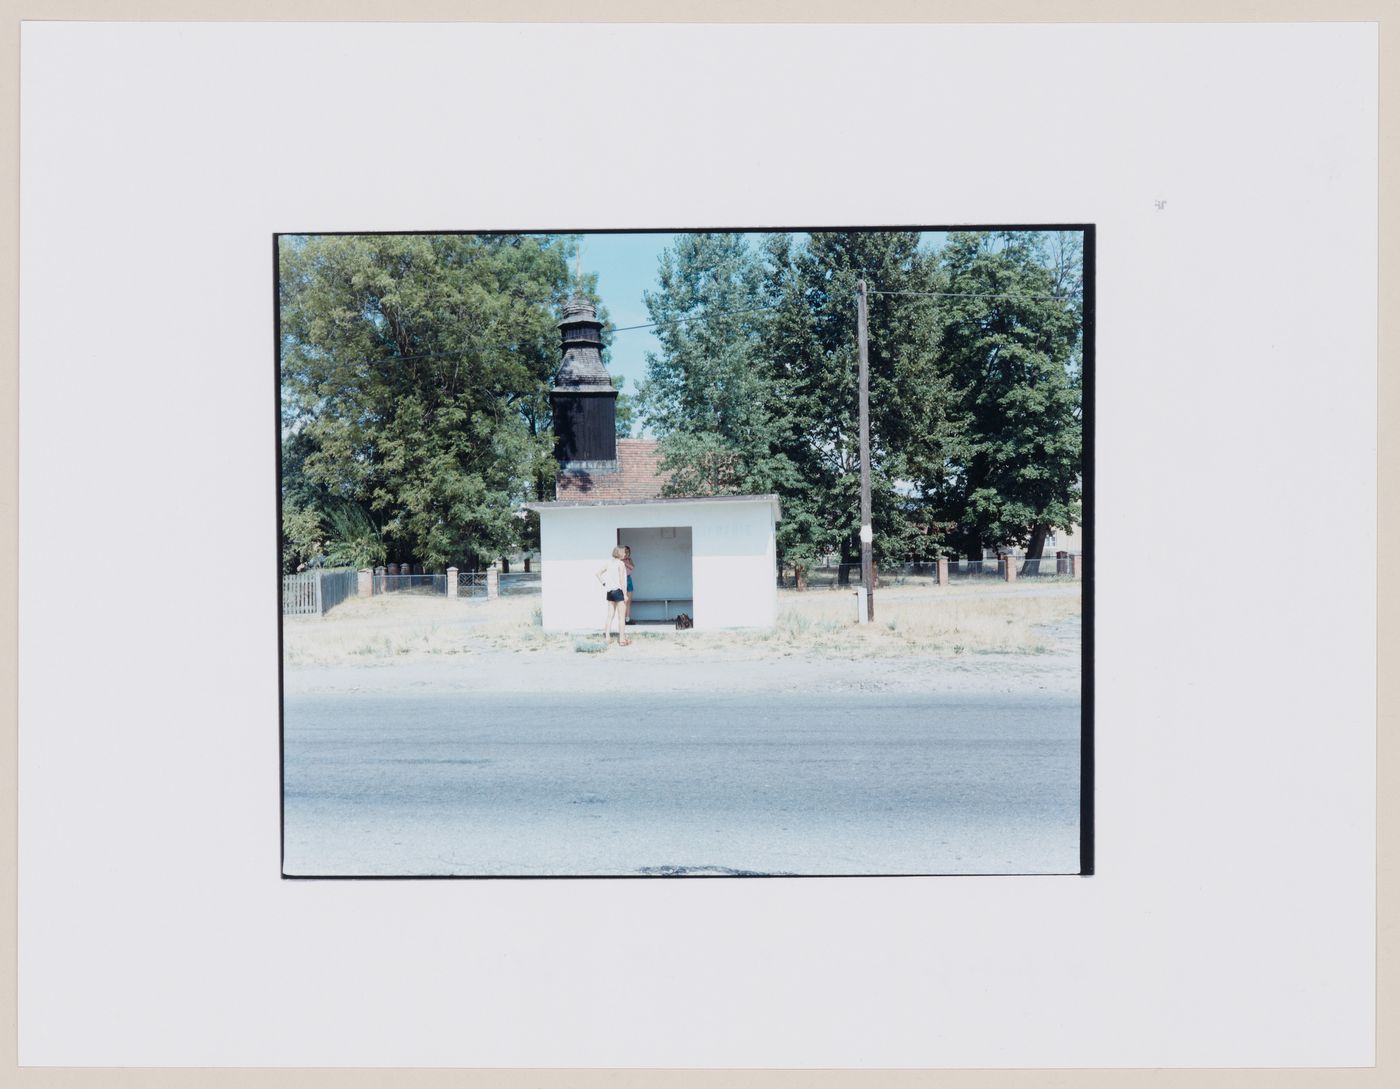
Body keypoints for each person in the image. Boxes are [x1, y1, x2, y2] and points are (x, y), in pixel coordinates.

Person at [596, 546, 630, 647]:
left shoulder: (608, 563)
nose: (625, 554)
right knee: (621, 617)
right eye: (624, 552)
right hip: (619, 591)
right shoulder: (621, 564)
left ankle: (607, 638)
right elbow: (622, 580)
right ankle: (622, 640)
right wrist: (625, 594)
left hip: (610, 592)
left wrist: (604, 584)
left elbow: (597, 573)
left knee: (610, 616)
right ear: (619, 553)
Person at [622, 545, 636, 625]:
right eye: (625, 552)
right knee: (623, 600)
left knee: (629, 601)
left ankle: (627, 618)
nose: (627, 553)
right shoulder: (619, 561)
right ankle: (622, 619)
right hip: (622, 580)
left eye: (628, 552)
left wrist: (625, 563)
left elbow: (632, 567)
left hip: (628, 579)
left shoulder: (629, 560)